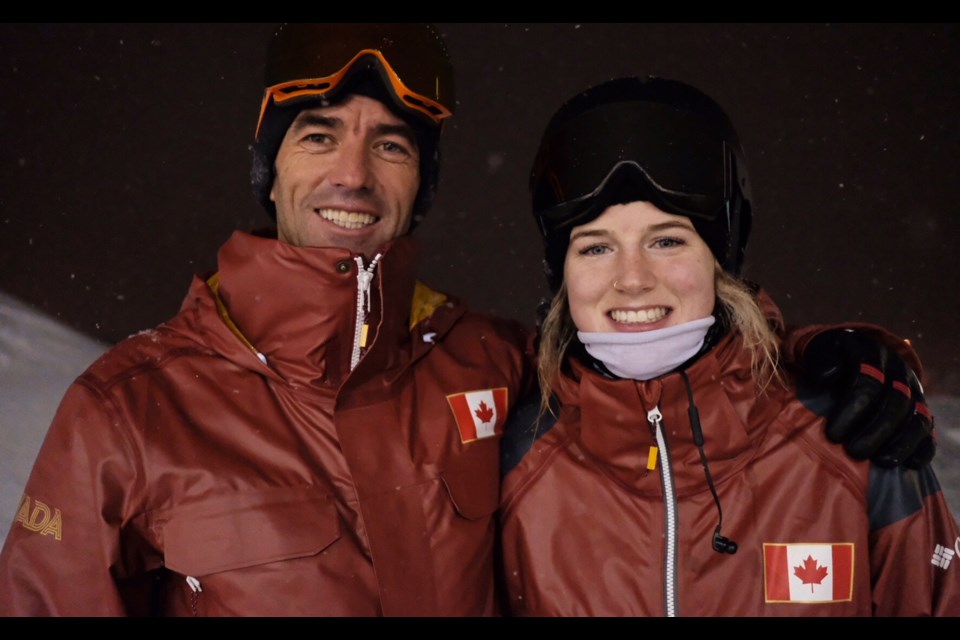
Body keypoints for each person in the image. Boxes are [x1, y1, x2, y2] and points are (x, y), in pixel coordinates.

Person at [0, 26, 937, 617]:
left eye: (392, 145)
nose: (353, 175)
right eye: (319, 136)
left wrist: (837, 358)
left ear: (426, 183)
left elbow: (659, 378)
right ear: (268, 167)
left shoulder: (486, 365)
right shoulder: (130, 408)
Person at [498, 76, 959, 616]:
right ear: (563, 277)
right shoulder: (514, 463)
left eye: (667, 240)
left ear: (722, 261)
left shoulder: (856, 442)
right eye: (596, 247)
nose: (631, 279)